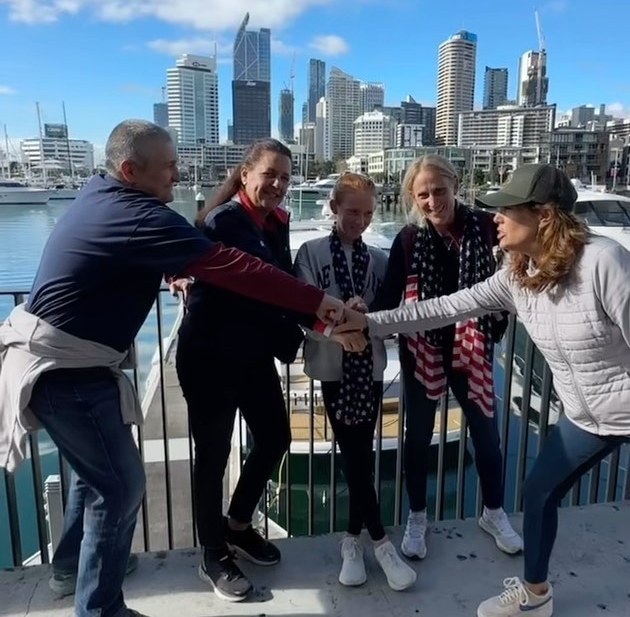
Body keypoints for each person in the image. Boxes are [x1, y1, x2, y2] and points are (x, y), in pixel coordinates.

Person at [0, 121, 342, 617]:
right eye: (169, 167)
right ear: (129, 171)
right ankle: (123, 597)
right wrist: (324, 309)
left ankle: (74, 565)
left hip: (89, 361)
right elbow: (234, 267)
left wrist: (175, 273)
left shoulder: (103, 196)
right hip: (77, 367)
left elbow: (158, 247)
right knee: (122, 486)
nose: (178, 176)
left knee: (97, 477)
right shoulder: (160, 215)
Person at [340, 163, 630, 617]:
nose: (493, 217)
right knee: (538, 492)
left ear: (544, 217)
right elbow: (445, 307)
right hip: (590, 418)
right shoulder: (519, 273)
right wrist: (371, 322)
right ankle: (536, 596)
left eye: (505, 210)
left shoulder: (608, 264)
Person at [176, 139, 316, 601]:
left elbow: (286, 280)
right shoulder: (226, 221)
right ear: (245, 174)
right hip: (211, 356)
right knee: (213, 458)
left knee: (276, 437)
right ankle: (212, 552)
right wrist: (321, 317)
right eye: (269, 174)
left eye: (285, 177)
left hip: (251, 353)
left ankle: (236, 525)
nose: (277, 184)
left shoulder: (274, 222)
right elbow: (262, 282)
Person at [371, 156, 521, 561]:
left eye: (439, 190)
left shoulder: (488, 227)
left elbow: (518, 270)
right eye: (423, 194)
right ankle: (417, 517)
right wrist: (358, 317)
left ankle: (493, 512)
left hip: (473, 351)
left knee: (487, 439)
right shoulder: (407, 239)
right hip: (423, 352)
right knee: (417, 439)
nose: (433, 200)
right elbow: (389, 298)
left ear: (455, 185)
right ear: (413, 198)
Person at [293, 173, 416, 591]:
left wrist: (366, 312)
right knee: (354, 453)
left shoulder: (380, 261)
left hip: (370, 366)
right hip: (331, 367)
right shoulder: (309, 253)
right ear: (333, 207)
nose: (360, 220)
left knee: (360, 454)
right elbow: (300, 307)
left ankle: (351, 540)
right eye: (352, 211)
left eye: (367, 213)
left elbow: (386, 313)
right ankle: (380, 543)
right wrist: (337, 318)